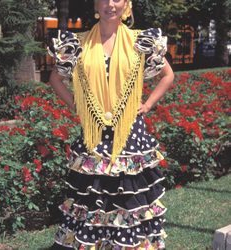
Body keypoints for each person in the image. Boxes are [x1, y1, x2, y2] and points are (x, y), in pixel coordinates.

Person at [48, 0, 174, 249]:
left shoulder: (141, 41)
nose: (110, 5)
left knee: (128, 198)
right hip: (94, 134)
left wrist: (147, 104)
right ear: (96, 4)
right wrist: (77, 104)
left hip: (129, 133)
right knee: (93, 197)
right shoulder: (78, 43)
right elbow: (55, 78)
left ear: (126, 4)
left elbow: (168, 75)